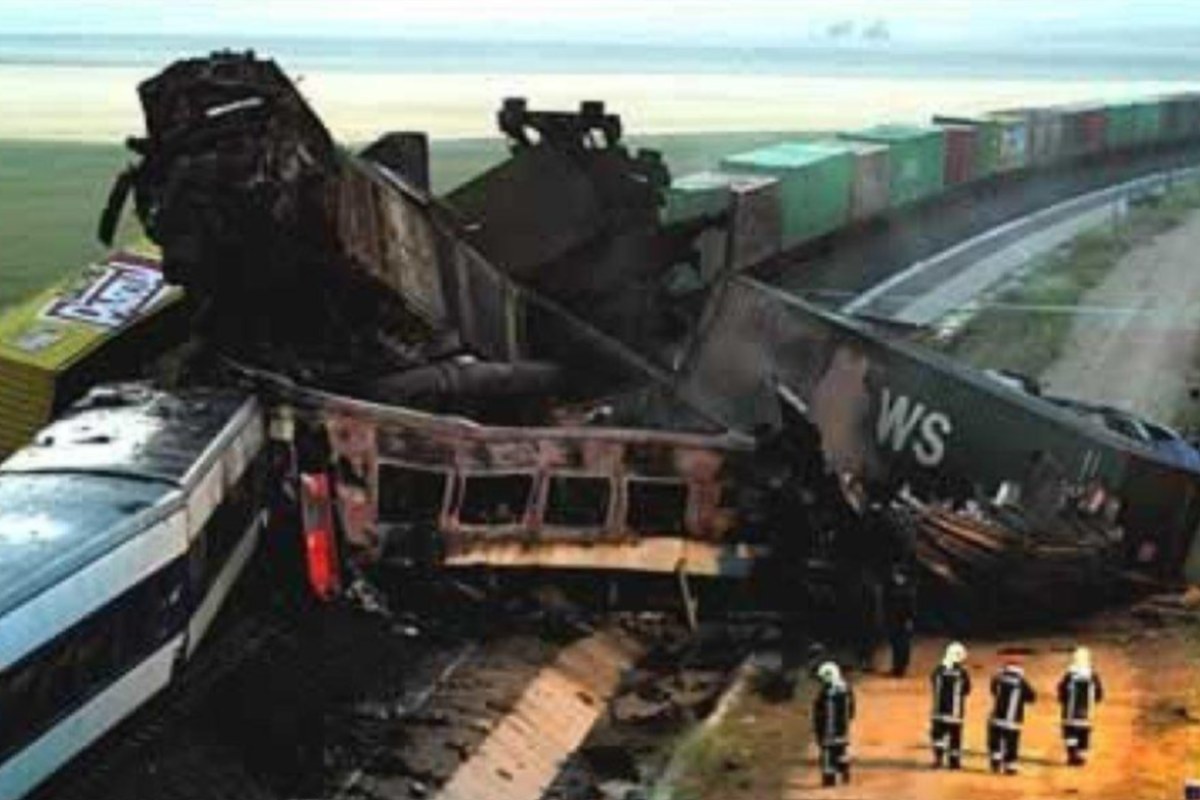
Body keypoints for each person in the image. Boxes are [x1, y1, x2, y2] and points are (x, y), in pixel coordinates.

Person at [987, 658, 1036, 774]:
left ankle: (995, 763)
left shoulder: (998, 679)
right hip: (1013, 721)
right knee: (1012, 744)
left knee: (995, 741)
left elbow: (993, 690)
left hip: (997, 719)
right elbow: (1032, 697)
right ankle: (1010, 767)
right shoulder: (1021, 682)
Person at [1058, 646, 1104, 766]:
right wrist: (1094, 701)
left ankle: (1072, 755)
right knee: (1084, 734)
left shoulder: (1070, 675)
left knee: (1070, 733)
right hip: (1087, 713)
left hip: (1070, 713)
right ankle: (1082, 756)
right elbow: (1099, 693)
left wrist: (1063, 701)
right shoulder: (1092, 675)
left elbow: (1062, 690)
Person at [813, 661, 856, 787]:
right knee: (842, 752)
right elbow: (852, 709)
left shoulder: (824, 694)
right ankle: (845, 771)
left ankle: (829, 779)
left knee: (828, 755)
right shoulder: (847, 688)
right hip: (843, 730)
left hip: (828, 731)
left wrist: (818, 730)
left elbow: (818, 713)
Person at [930, 641, 971, 769]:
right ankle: (954, 763)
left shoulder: (938, 670)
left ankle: (938, 759)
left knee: (938, 737)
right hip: (955, 714)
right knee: (955, 739)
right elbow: (967, 690)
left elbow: (933, 682)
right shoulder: (962, 672)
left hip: (938, 712)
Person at [883, 565, 917, 676]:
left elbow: (911, 607)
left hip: (904, 621)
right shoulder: (892, 589)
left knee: (903, 645)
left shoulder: (908, 590)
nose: (896, 578)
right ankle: (896, 667)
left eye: (898, 576)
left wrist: (910, 620)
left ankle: (901, 668)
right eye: (895, 576)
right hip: (894, 621)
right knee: (895, 645)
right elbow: (888, 606)